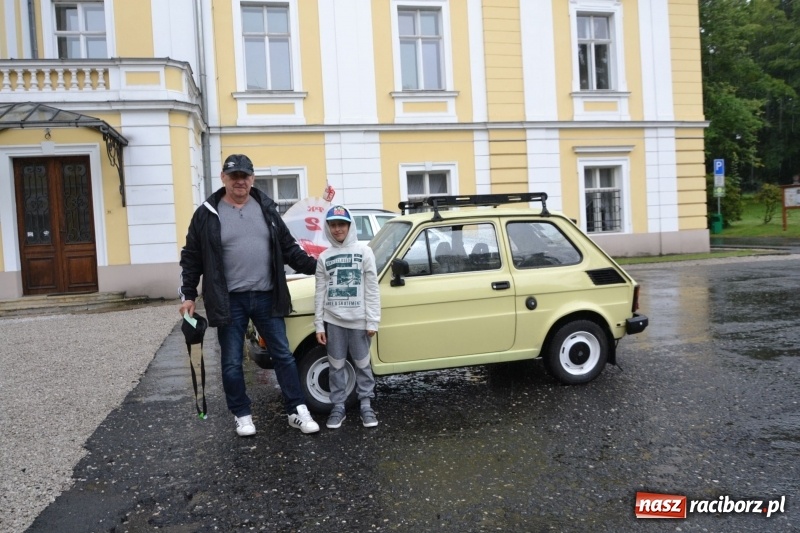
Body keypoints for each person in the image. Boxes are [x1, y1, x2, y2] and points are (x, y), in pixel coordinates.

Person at [179, 154, 320, 437]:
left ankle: (297, 410)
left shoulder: (266, 209)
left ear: (252, 179)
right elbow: (191, 256)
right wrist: (188, 294)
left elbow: (289, 248)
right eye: (234, 176)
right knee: (232, 361)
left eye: (244, 176)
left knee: (283, 355)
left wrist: (320, 267)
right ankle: (242, 415)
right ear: (223, 178)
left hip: (267, 295)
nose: (240, 181)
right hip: (229, 299)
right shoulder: (207, 213)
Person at [314, 205, 381, 429]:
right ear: (328, 228)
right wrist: (319, 325)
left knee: (363, 364)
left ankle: (366, 405)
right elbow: (320, 292)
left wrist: (372, 320)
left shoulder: (365, 252)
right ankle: (338, 406)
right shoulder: (324, 257)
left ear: (350, 226)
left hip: (359, 321)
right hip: (333, 321)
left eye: (341, 224)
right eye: (333, 225)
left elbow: (372, 289)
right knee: (336, 366)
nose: (337, 229)